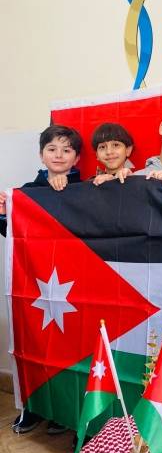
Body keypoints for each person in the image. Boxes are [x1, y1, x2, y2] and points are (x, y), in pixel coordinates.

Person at [0, 124, 82, 434]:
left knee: (69, 350)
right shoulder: (27, 191)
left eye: (66, 150)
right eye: (52, 149)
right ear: (41, 154)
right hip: (34, 283)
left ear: (76, 158)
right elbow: (13, 236)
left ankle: (62, 411)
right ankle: (33, 408)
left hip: (72, 284)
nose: (59, 155)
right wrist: (4, 213)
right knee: (33, 347)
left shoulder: (86, 190)